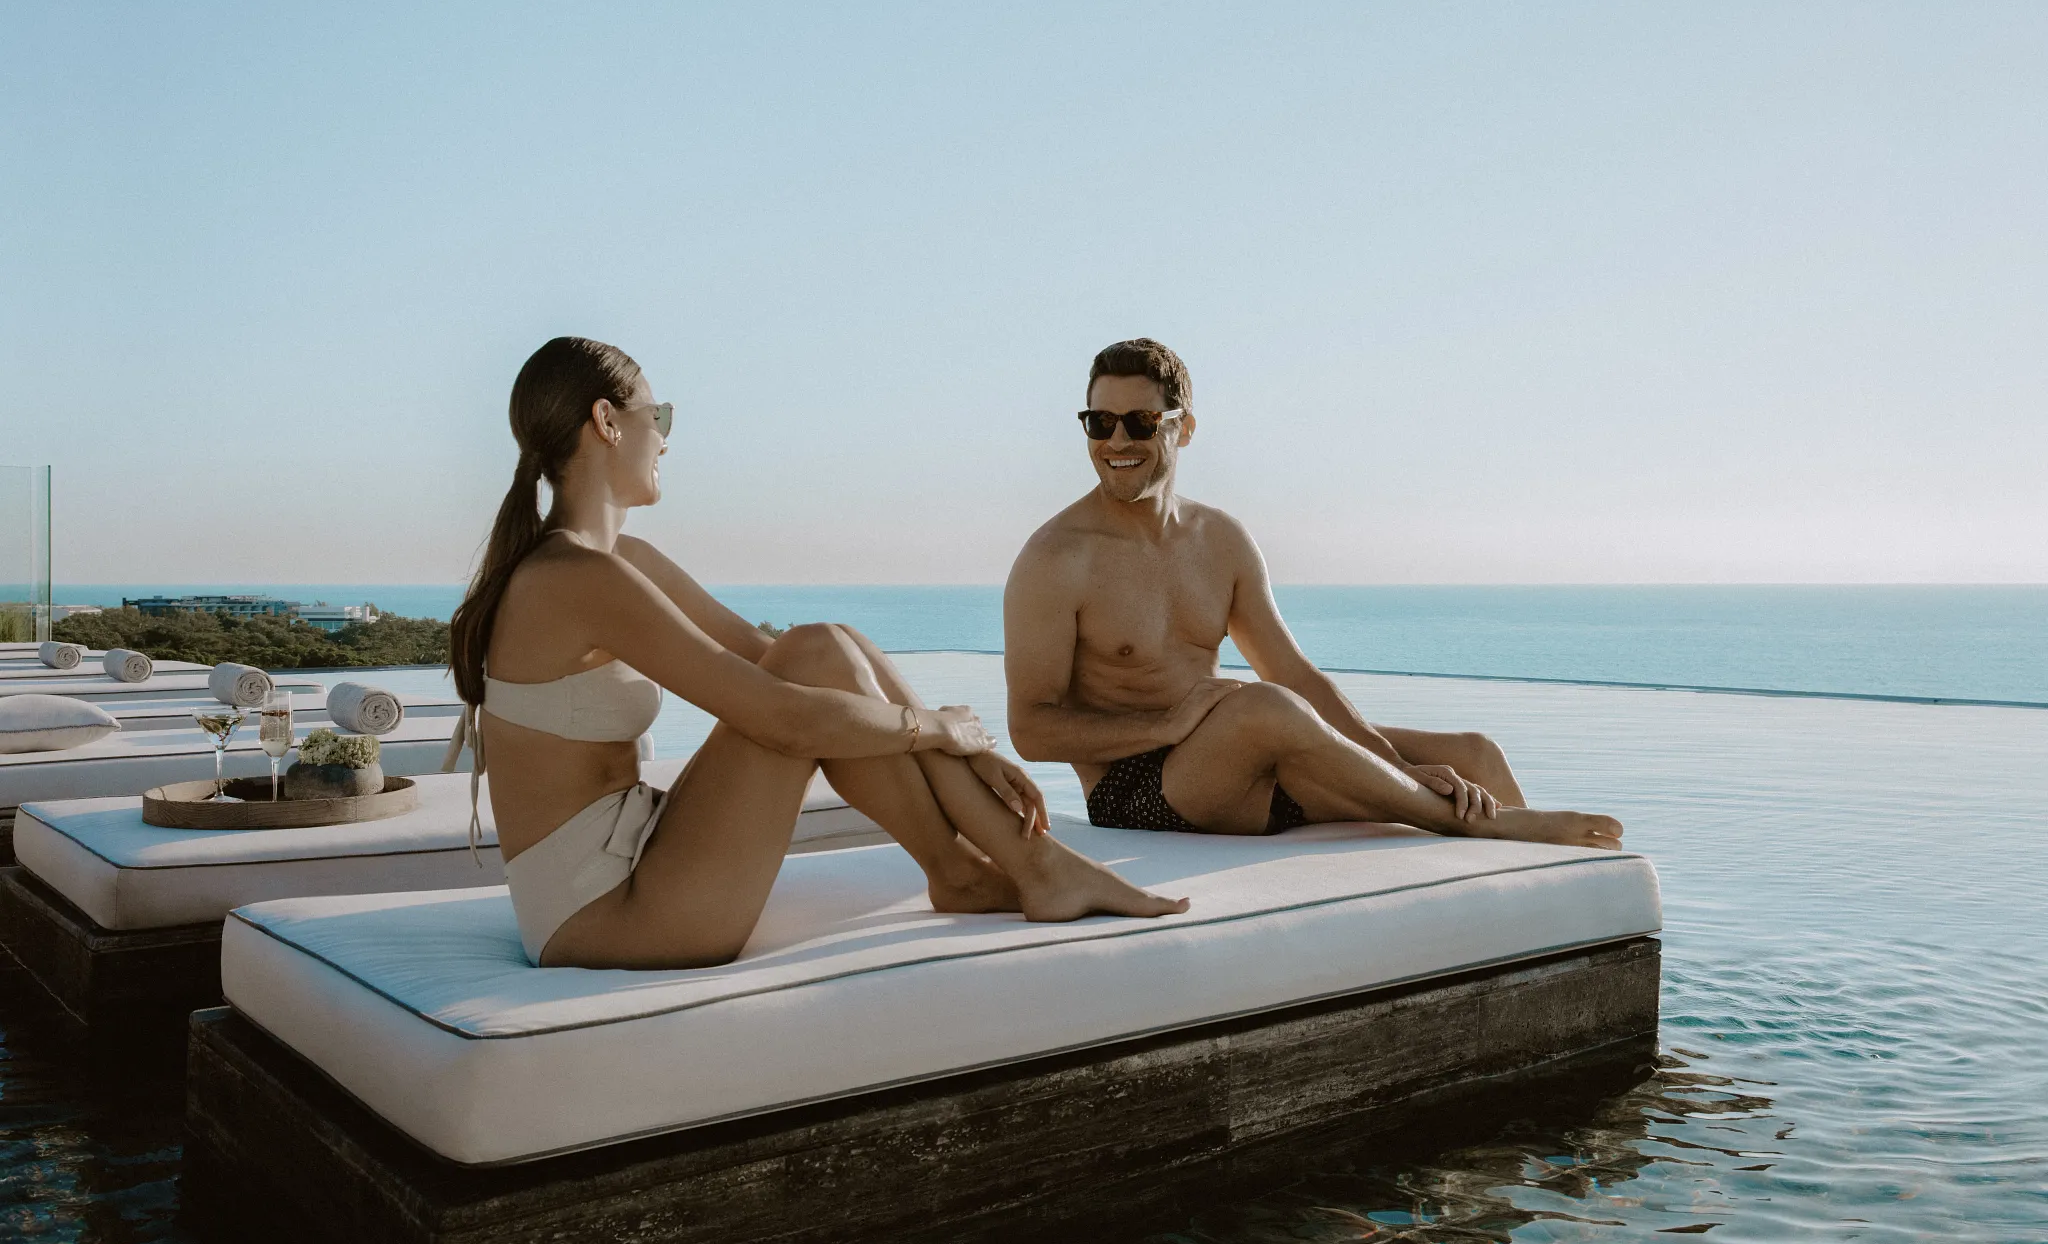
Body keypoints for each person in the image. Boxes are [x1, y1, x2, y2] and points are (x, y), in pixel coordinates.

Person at [450, 337, 1186, 971]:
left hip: (636, 857)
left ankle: (975, 868)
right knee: (816, 661)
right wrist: (935, 729)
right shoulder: (574, 577)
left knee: (825, 643)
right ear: (607, 423)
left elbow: (780, 654)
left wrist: (963, 741)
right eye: (658, 415)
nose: (667, 437)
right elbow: (782, 716)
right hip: (601, 915)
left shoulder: (619, 559)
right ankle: (1007, 866)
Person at [1004, 337, 1623, 850]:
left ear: (1182, 428)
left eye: (1139, 422)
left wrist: (1393, 763)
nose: (1115, 442)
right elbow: (1031, 730)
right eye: (1099, 422)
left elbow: (1294, 671)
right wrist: (1169, 723)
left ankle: (1542, 905)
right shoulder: (1058, 558)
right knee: (1262, 708)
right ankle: (1487, 825)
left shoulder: (1219, 540)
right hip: (1139, 789)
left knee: (1474, 755)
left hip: (1246, 759)